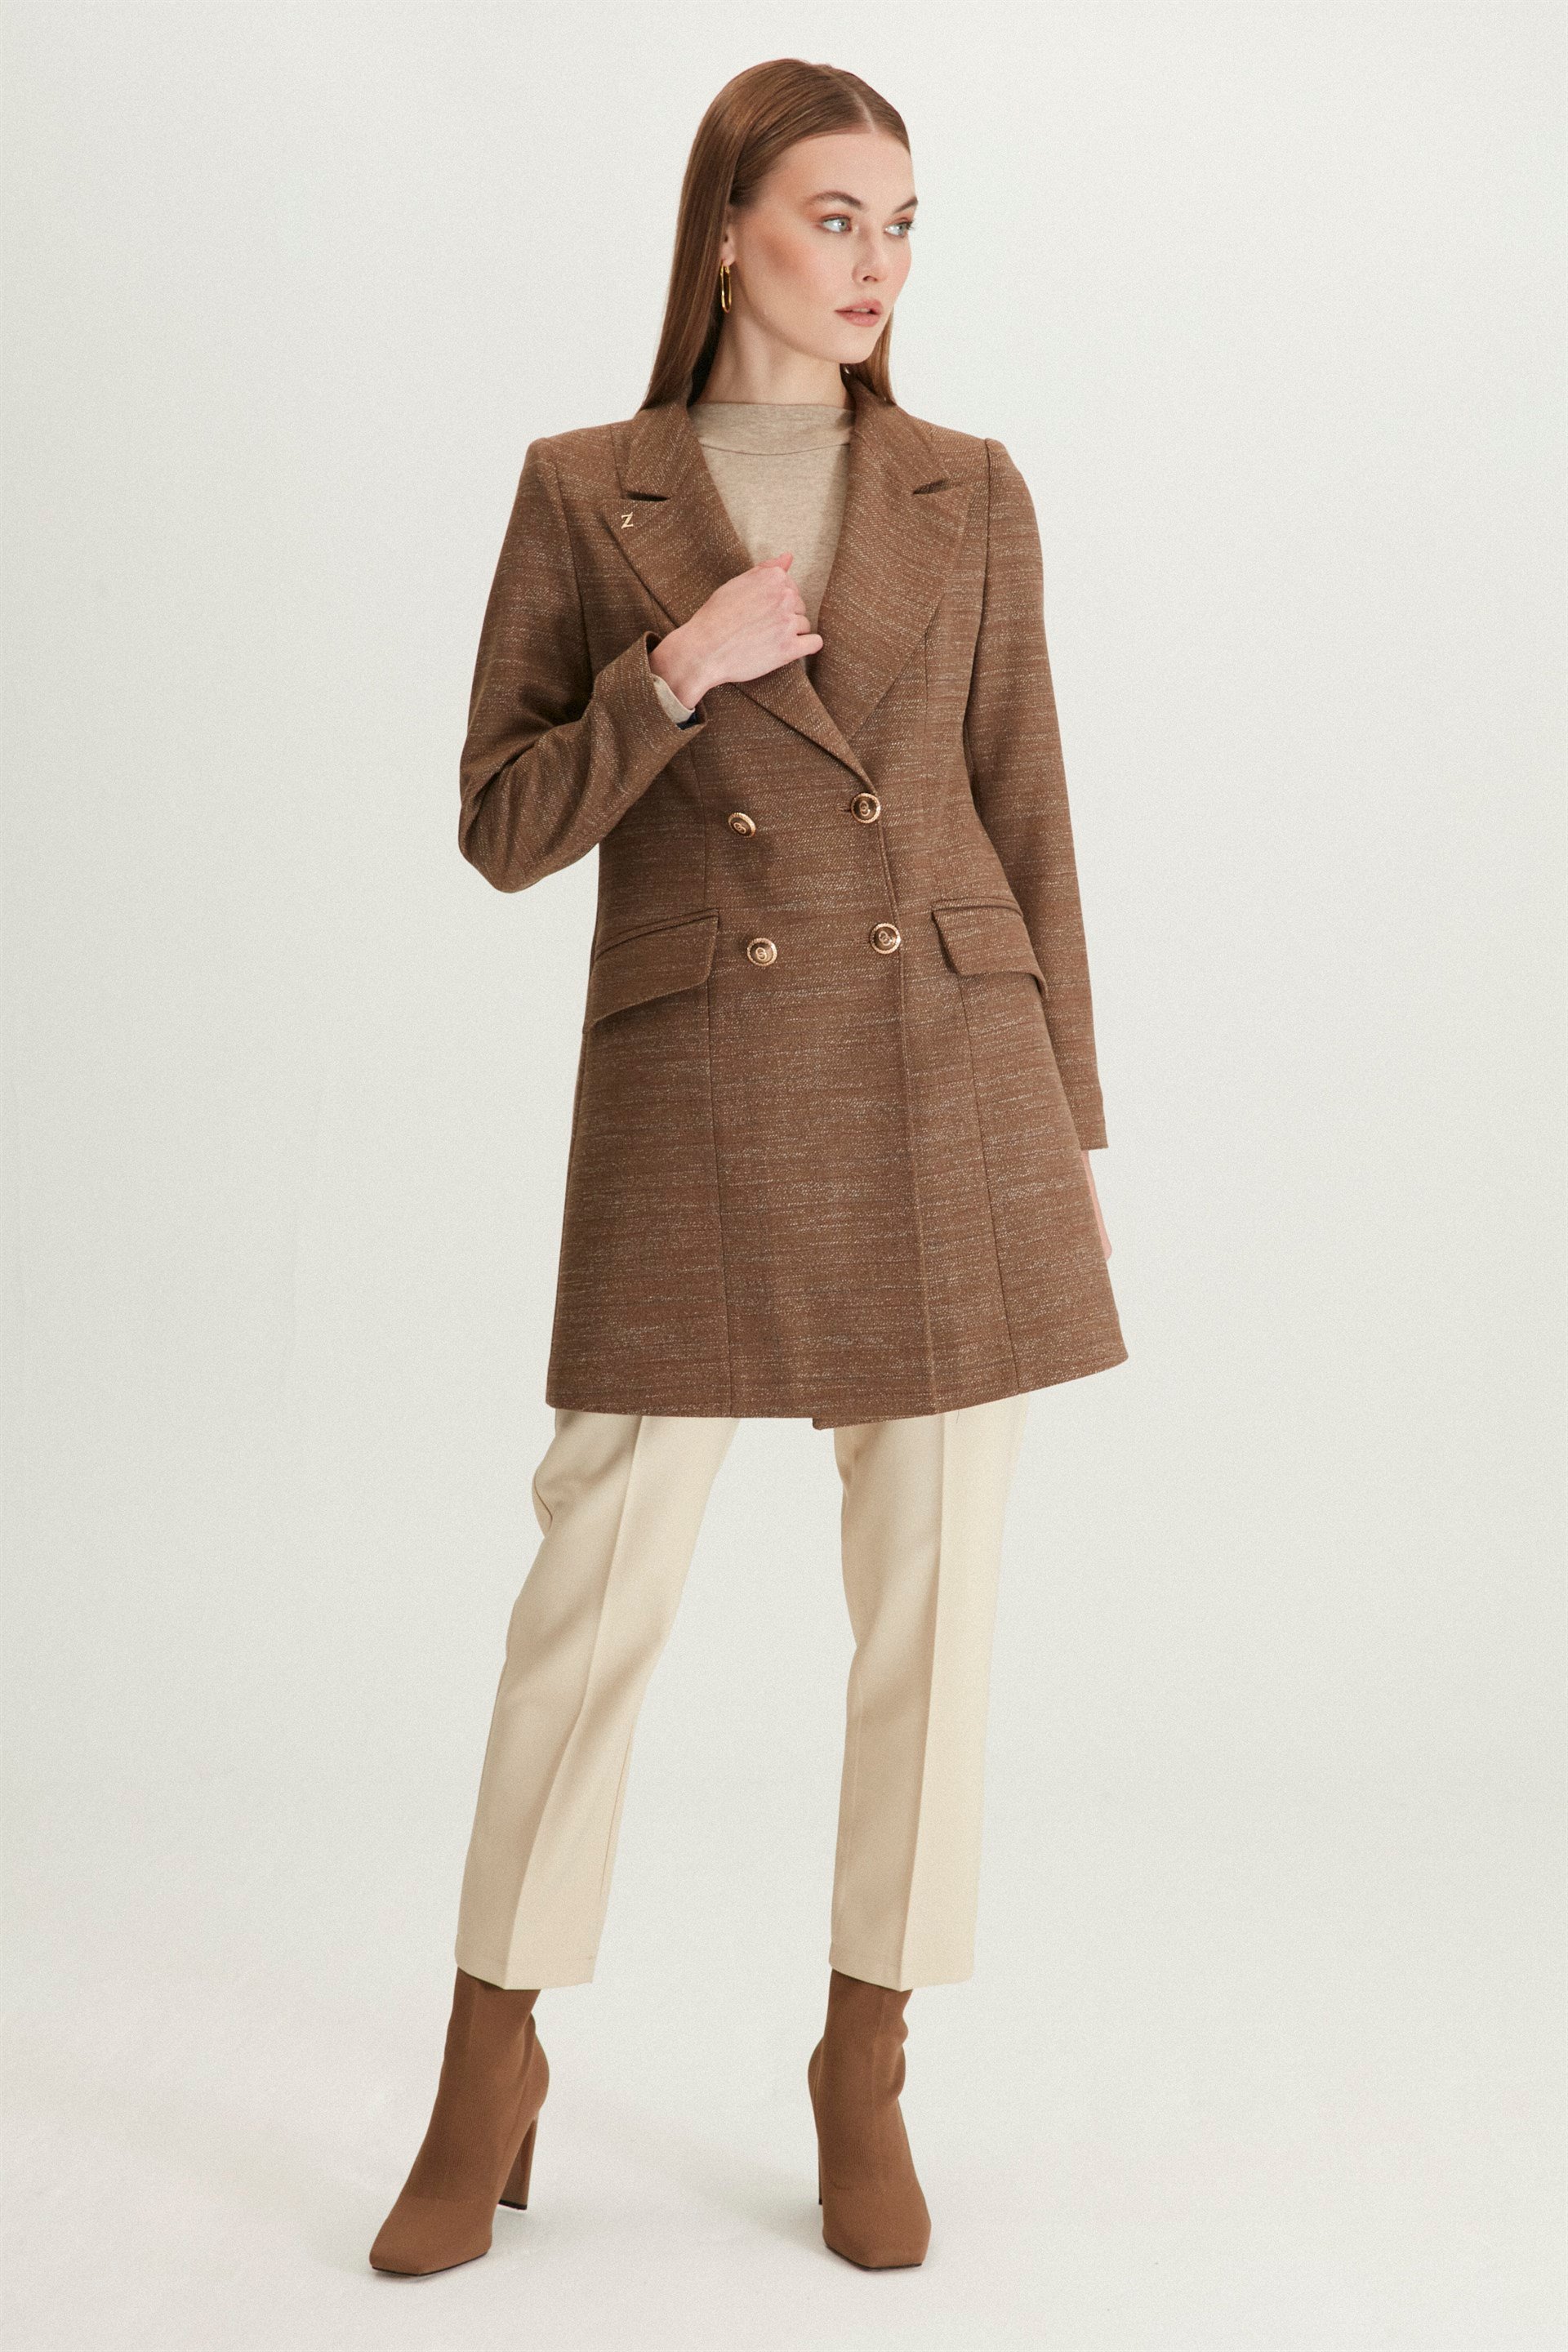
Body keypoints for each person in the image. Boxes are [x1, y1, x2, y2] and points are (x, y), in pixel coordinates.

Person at [368, 55, 1126, 2279]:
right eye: (831, 216)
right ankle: (489, 2058)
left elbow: (1028, 808)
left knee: (935, 1609)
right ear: (727, 231)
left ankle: (864, 2057)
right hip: (700, 1083)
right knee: (594, 1584)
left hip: (945, 1078)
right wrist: (677, 672)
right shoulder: (586, 489)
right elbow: (503, 823)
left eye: (903, 223)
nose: (874, 263)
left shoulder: (972, 489)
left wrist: (1067, 1127)